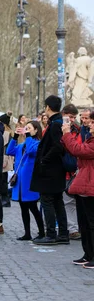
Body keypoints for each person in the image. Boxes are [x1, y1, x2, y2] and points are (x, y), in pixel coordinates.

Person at [30, 95, 69, 245]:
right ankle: (63, 234)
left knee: (47, 201)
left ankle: (51, 234)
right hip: (56, 170)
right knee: (58, 201)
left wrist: (43, 160)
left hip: (50, 171)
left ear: (47, 107)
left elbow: (57, 147)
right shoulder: (58, 122)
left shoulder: (54, 125)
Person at [61, 111, 94, 269]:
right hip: (84, 184)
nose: (89, 124)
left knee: (91, 223)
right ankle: (88, 254)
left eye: (92, 122)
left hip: (90, 185)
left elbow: (78, 150)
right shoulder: (89, 137)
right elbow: (75, 149)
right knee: (84, 223)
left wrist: (67, 134)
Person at [7, 121, 45, 240]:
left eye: (29, 128)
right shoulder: (22, 145)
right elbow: (9, 151)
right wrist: (15, 137)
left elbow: (31, 151)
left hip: (30, 182)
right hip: (20, 182)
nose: (26, 130)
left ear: (36, 130)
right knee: (23, 208)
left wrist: (28, 136)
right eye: (25, 128)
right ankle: (27, 233)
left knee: (33, 207)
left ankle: (41, 232)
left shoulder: (38, 143)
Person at [61, 103, 81, 240]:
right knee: (64, 201)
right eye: (70, 117)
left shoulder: (78, 129)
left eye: (74, 117)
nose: (72, 120)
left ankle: (73, 228)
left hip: (74, 169)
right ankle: (69, 228)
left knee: (72, 201)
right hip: (61, 169)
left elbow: (77, 147)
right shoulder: (56, 127)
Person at [0, 114, 14, 208]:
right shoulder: (7, 133)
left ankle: (5, 199)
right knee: (2, 180)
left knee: (2, 180)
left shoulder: (6, 134)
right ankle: (4, 198)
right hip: (5, 158)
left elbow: (7, 148)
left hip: (4, 158)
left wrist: (5, 160)